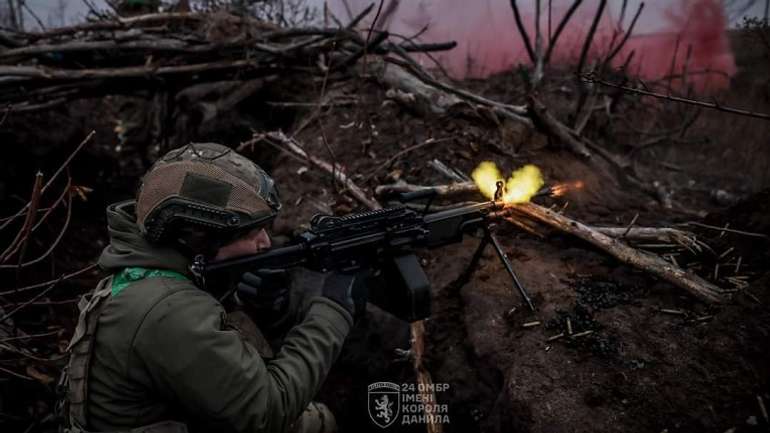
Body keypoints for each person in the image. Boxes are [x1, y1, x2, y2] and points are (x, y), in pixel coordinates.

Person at [61, 142, 361, 433]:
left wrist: (255, 304)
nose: (265, 243)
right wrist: (331, 310)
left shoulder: (140, 280)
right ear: (200, 236)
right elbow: (268, 413)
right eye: (251, 232)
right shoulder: (168, 310)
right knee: (319, 422)